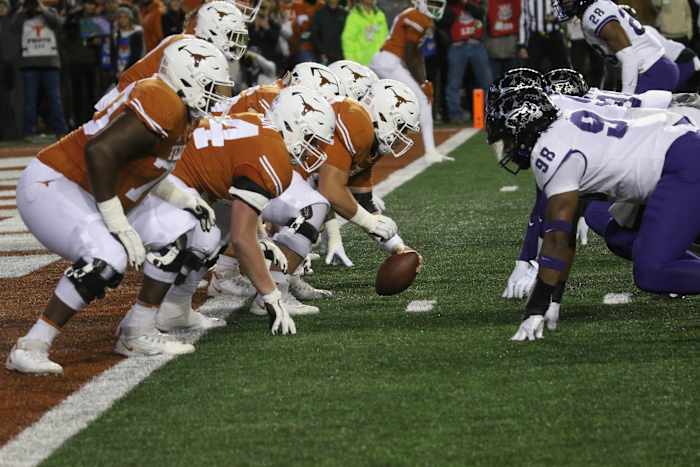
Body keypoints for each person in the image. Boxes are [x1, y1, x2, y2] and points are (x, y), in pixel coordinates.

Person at [5, 38, 234, 375]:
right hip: (56, 184)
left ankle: (137, 331)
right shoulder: (162, 100)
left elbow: (144, 168)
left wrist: (184, 199)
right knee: (108, 258)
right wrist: (118, 222)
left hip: (95, 187)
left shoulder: (183, 112)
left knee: (181, 231)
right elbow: (100, 152)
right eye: (212, 88)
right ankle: (32, 344)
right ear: (186, 79)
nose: (218, 98)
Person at [488, 85, 700, 341]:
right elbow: (566, 232)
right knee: (620, 236)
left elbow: (556, 238)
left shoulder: (550, 151)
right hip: (675, 139)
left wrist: (535, 308)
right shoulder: (561, 115)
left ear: (523, 127)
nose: (507, 148)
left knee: (652, 271)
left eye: (508, 139)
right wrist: (554, 298)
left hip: (681, 159)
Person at [95, 1, 248, 108]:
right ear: (213, 30)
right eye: (231, 35)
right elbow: (220, 103)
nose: (235, 43)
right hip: (124, 103)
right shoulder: (186, 46)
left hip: (138, 100)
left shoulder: (193, 45)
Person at [370, 0, 451, 163]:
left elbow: (416, 54)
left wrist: (423, 79)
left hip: (389, 61)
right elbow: (409, 53)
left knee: (383, 104)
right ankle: (430, 151)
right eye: (431, 3)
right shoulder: (416, 16)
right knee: (423, 99)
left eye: (437, 4)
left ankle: (377, 142)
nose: (435, 8)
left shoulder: (420, 17)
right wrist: (422, 83)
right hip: (390, 62)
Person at [552, 0, 679, 94]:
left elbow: (629, 57)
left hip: (652, 71)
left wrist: (626, 97)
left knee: (629, 119)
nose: (563, 2)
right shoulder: (592, 12)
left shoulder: (592, 14)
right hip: (651, 69)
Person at [12, 0, 68, 140]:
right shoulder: (23, 14)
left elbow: (58, 23)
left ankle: (61, 130)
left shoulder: (50, 11)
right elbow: (13, 27)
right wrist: (22, 10)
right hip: (29, 63)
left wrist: (42, 9)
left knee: (55, 99)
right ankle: (29, 132)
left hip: (50, 62)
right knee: (30, 101)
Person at [441, 0, 492, 123]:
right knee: (454, 83)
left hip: (476, 44)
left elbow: (481, 13)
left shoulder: (477, 2)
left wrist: (465, 3)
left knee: (486, 81)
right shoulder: (450, 4)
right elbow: (444, 20)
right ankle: (455, 114)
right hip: (457, 45)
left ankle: (490, 112)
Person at [518, 0, 570, 72]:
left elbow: (564, 14)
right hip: (536, 37)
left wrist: (555, 18)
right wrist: (522, 45)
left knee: (561, 70)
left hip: (554, 36)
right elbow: (524, 21)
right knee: (533, 71)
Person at [341, 0, 388, 66]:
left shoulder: (380, 15)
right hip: (361, 64)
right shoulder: (354, 16)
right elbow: (348, 40)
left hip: (379, 63)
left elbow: (385, 38)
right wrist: (351, 63)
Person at [310, 0, 347, 64]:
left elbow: (349, 36)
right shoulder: (319, 14)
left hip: (342, 55)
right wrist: (322, 52)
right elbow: (314, 35)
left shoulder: (344, 14)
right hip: (325, 56)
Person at [112, 6, 144, 77]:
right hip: (119, 68)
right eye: (120, 17)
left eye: (125, 17)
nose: (122, 20)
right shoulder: (116, 34)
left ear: (130, 18)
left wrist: (126, 70)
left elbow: (137, 54)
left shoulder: (138, 32)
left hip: (133, 68)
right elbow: (114, 54)